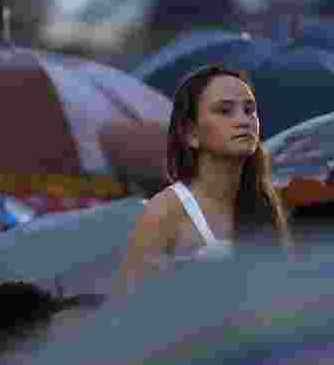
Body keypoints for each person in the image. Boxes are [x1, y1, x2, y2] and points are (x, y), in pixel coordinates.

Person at [116, 67, 290, 292]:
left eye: (249, 110)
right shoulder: (165, 211)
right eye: (225, 111)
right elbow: (126, 308)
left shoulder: (266, 203)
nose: (243, 120)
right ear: (191, 133)